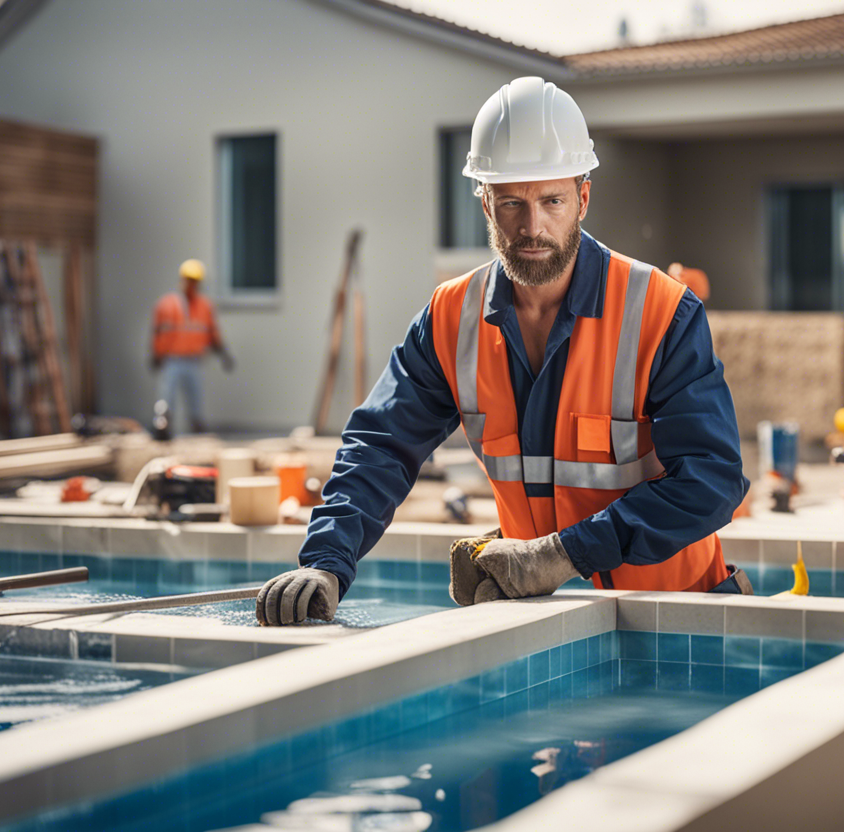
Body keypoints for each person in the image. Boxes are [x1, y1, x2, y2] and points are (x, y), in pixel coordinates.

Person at [256, 77, 751, 626]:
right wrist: (326, 560)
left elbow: (712, 480)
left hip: (678, 624)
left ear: (583, 198)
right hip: (542, 632)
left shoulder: (660, 312)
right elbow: (380, 445)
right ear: (485, 202)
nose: (532, 227)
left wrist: (562, 554)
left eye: (552, 201)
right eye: (512, 202)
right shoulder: (451, 318)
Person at [149, 258, 234, 434]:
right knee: (167, 395)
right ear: (182, 279)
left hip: (194, 359)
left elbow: (212, 333)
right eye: (189, 280)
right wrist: (156, 354)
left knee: (196, 398)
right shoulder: (166, 305)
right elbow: (158, 332)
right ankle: (163, 426)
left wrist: (223, 353)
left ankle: (197, 427)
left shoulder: (204, 306)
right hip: (172, 359)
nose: (192, 285)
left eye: (195, 281)